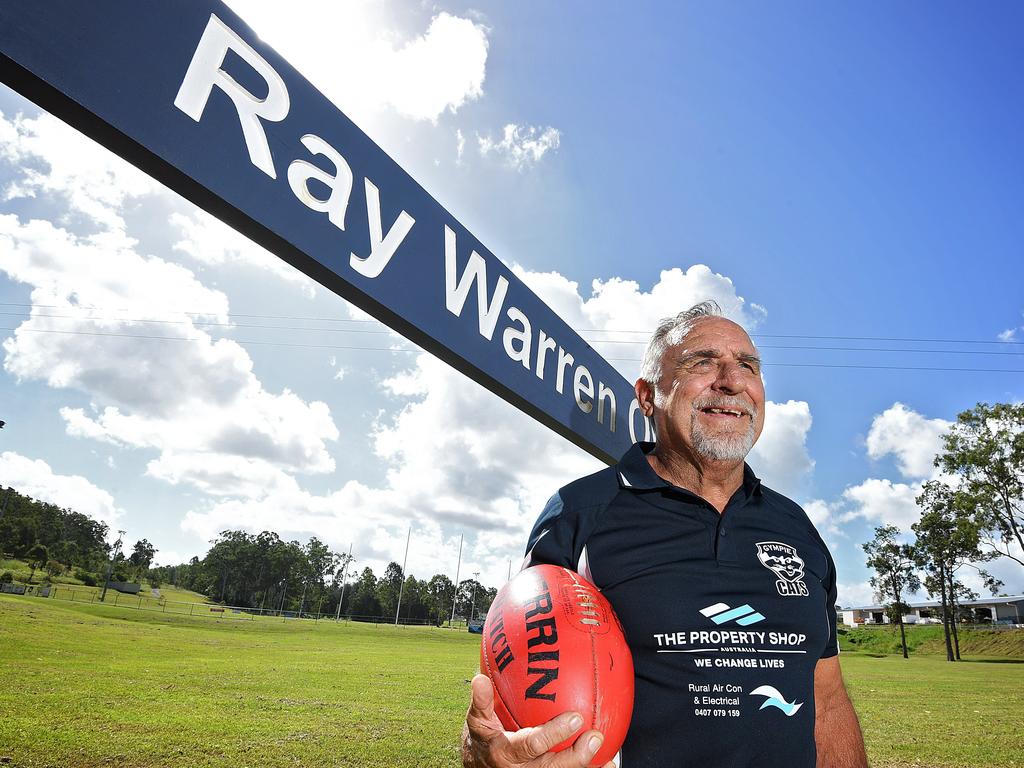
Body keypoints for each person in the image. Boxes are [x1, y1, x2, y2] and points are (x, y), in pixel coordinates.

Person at [461, 301, 868, 768]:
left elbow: (828, 699)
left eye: (748, 366)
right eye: (702, 361)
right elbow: (508, 700)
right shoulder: (581, 513)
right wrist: (486, 753)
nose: (732, 381)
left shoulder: (797, 527)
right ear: (648, 395)